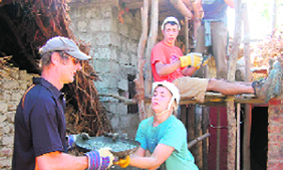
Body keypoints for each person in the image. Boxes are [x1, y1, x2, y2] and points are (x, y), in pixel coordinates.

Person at [12, 36, 115, 170]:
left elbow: (39, 140)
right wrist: (94, 160)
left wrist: (69, 141)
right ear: (56, 59)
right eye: (75, 60)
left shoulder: (48, 96)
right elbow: (50, 164)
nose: (79, 67)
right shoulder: (42, 100)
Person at [150, 16, 281, 103]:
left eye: (174, 30)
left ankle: (259, 85)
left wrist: (197, 65)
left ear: (178, 31)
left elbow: (185, 74)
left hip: (181, 82)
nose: (171, 33)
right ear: (163, 32)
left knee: (219, 81)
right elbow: (160, 71)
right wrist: (183, 61)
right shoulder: (159, 48)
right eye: (168, 30)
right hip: (168, 86)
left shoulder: (177, 50)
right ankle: (256, 89)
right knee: (213, 83)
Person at [114, 81, 199, 170]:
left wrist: (126, 160)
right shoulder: (145, 125)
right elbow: (137, 156)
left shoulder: (175, 127)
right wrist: (117, 156)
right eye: (155, 95)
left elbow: (155, 162)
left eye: (162, 96)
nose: (156, 98)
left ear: (172, 103)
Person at [193, 0, 235, 79]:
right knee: (198, 54)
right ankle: (197, 79)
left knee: (220, 54)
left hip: (219, 23)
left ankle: (222, 81)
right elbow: (196, 6)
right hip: (205, 24)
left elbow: (233, 5)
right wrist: (197, 15)